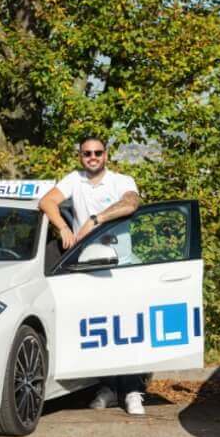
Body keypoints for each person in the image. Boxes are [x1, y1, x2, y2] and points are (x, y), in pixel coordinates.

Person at [38, 136, 146, 415]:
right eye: (87, 153)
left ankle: (133, 390)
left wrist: (95, 220)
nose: (92, 157)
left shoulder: (121, 180)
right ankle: (108, 388)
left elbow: (130, 204)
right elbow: (47, 201)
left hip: (120, 266)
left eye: (98, 152)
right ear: (81, 156)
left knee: (127, 330)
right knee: (101, 331)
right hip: (88, 268)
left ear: (106, 155)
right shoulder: (74, 180)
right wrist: (62, 227)